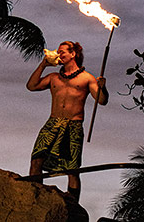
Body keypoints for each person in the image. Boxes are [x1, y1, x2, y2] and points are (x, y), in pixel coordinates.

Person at [26, 40, 108, 201]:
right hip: (52, 124)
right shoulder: (53, 77)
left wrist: (102, 87)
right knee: (36, 160)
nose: (59, 54)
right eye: (58, 52)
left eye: (62, 51)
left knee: (72, 169)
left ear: (73, 54)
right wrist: (43, 65)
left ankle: (72, 204)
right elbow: (31, 86)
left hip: (73, 126)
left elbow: (102, 100)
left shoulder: (86, 78)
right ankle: (35, 199)